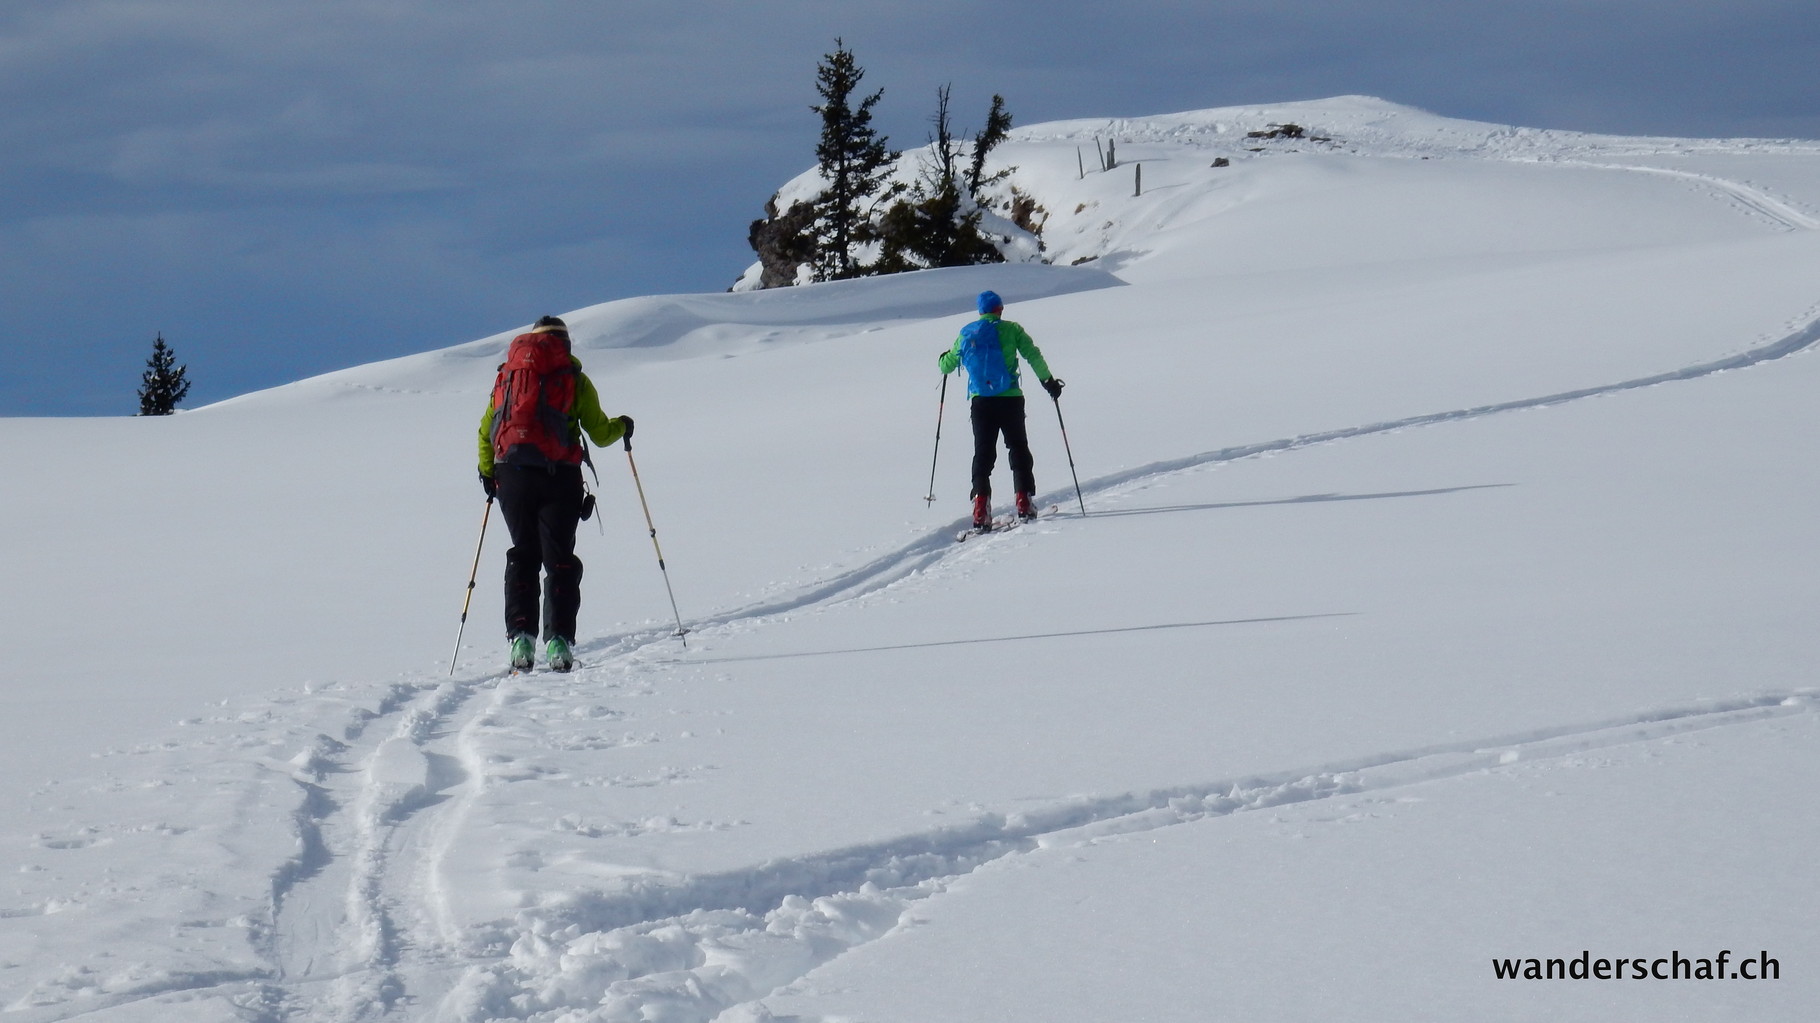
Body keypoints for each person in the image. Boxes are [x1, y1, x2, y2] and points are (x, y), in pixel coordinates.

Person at [478, 315, 632, 672]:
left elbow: (486, 430)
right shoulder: (574, 379)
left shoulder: (507, 378)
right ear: (564, 343)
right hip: (559, 476)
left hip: (511, 477)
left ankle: (520, 640)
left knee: (524, 554)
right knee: (559, 557)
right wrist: (623, 426)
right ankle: (559, 642)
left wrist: (488, 474)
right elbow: (599, 433)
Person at [939, 290, 1063, 529]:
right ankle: (1024, 501)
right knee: (1017, 447)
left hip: (981, 402)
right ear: (999, 309)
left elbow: (947, 365)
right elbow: (1032, 355)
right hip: (1010, 399)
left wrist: (942, 358)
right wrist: (1049, 382)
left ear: (980, 311)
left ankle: (980, 508)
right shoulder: (1012, 329)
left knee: (983, 453)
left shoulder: (966, 333)